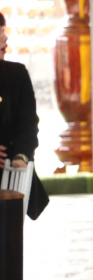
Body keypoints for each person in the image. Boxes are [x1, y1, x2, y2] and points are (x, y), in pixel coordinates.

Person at [0, 11, 49, 219]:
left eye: (3, 30)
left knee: (9, 234)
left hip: (8, 179)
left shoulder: (16, 75)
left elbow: (28, 125)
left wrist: (21, 155)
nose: (5, 37)